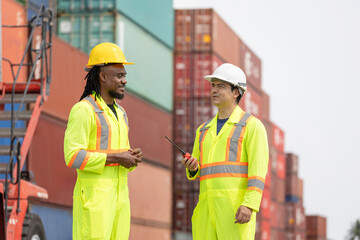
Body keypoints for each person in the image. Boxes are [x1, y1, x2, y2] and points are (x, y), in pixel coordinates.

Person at [64, 42, 143, 240]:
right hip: (95, 202)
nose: (124, 81)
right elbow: (72, 156)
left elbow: (120, 159)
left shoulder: (121, 114)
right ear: (103, 76)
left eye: (125, 76)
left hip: (120, 201)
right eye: (120, 76)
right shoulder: (84, 110)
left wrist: (131, 158)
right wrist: (117, 157)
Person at [182, 63, 269, 239]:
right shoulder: (203, 130)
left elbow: (258, 171)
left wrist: (249, 204)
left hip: (235, 211)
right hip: (206, 210)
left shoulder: (252, 126)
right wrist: (191, 168)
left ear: (236, 92)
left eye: (220, 86)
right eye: (212, 85)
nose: (214, 90)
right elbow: (199, 170)